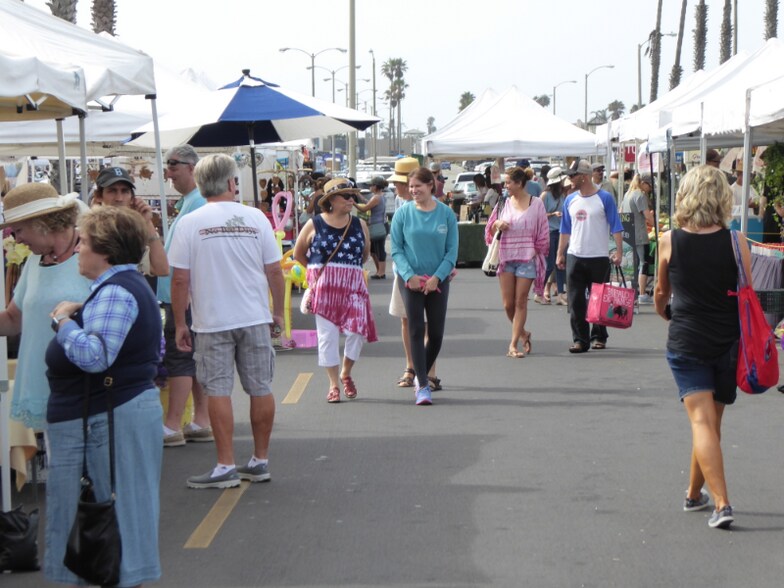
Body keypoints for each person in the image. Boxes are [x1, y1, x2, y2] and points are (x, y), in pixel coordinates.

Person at [44, 206, 163, 585]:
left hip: (109, 416)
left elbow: (95, 357)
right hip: (113, 412)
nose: (78, 249)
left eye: (84, 242)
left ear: (105, 250)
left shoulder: (116, 291)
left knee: (112, 518)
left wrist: (63, 323)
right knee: (120, 516)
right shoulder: (121, 288)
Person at [169, 153, 285, 489]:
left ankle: (225, 465)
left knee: (218, 390)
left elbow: (180, 280)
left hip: (211, 321)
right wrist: (277, 312)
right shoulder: (256, 218)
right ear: (232, 183)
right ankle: (260, 460)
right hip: (253, 316)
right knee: (260, 387)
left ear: (201, 183)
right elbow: (274, 270)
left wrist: (180, 323)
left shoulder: (190, 222)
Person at [654, 164, 750, 530]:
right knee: (711, 423)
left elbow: (661, 294)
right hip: (727, 339)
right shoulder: (736, 241)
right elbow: (746, 293)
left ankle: (721, 503)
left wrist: (665, 312)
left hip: (687, 337)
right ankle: (694, 495)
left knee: (701, 422)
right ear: (722, 197)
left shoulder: (670, 240)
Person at [0, 183, 91, 430]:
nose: (16, 238)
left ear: (42, 223)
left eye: (19, 230)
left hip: (82, 386)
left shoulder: (92, 255)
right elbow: (12, 319)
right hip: (42, 382)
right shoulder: (34, 262)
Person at [293, 178, 377, 403]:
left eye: (353, 196)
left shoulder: (360, 224)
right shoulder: (315, 224)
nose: (352, 200)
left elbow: (365, 254)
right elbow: (298, 254)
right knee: (327, 338)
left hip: (353, 288)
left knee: (357, 332)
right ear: (330, 200)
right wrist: (316, 273)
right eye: (346, 196)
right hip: (325, 291)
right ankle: (333, 385)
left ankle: (346, 373)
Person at [157, 145, 213, 448]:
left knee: (180, 358)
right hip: (182, 293)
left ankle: (173, 423)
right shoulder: (190, 203)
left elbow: (192, 257)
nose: (168, 172)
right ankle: (200, 419)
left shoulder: (197, 204)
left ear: (192, 168)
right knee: (192, 359)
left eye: (173, 165)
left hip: (184, 295)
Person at [391, 166, 458, 405]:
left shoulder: (447, 214)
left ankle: (421, 375)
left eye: (418, 186)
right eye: (411, 187)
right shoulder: (403, 213)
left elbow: (452, 252)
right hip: (410, 281)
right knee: (416, 329)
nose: (413, 190)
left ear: (431, 185)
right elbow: (396, 249)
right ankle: (422, 384)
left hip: (438, 281)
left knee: (437, 334)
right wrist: (410, 275)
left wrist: (437, 277)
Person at [556, 159, 624, 353]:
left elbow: (616, 226)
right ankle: (580, 339)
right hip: (575, 255)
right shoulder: (570, 199)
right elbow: (565, 229)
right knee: (576, 300)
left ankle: (599, 336)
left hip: (598, 256)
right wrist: (560, 253)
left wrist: (618, 252)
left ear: (584, 176)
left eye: (572, 175)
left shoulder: (605, 198)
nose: (569, 179)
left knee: (599, 299)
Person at [388, 157, 441, 391]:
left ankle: (429, 372)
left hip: (432, 276)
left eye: (403, 182)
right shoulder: (402, 206)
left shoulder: (437, 208)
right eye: (402, 183)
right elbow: (396, 246)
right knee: (407, 320)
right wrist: (407, 273)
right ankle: (411, 367)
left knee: (430, 324)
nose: (399, 187)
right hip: (404, 274)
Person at [485, 166, 549, 358]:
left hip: (527, 258)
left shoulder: (536, 203)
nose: (506, 186)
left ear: (520, 183)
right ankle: (523, 333)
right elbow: (490, 229)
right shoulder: (503, 202)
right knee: (507, 304)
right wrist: (497, 224)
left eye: (508, 183)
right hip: (506, 258)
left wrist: (536, 251)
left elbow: (543, 231)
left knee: (521, 301)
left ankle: (513, 344)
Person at [91, 166, 169, 277]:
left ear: (132, 198)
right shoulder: (88, 231)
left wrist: (147, 222)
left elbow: (162, 269)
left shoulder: (131, 235)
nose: (119, 198)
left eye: (125, 191)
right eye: (112, 191)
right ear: (98, 196)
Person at [620, 173, 655, 303]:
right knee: (643, 263)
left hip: (628, 232)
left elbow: (621, 211)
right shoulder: (640, 195)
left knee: (631, 264)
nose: (650, 188)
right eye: (649, 185)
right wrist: (656, 225)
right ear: (643, 183)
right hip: (639, 234)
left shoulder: (628, 194)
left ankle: (630, 292)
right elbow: (647, 216)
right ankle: (641, 294)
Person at [540, 166, 568, 305]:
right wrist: (552, 214)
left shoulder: (562, 195)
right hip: (549, 232)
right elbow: (538, 215)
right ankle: (539, 290)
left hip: (560, 231)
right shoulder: (545, 196)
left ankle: (561, 294)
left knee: (561, 264)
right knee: (550, 264)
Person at [354, 176, 389, 279]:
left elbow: (364, 208)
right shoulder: (378, 196)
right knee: (373, 250)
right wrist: (357, 194)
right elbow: (367, 202)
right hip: (378, 225)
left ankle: (381, 272)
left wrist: (353, 203)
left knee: (379, 249)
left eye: (371, 185)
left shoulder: (377, 197)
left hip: (378, 226)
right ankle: (379, 271)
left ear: (376, 186)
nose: (369, 186)